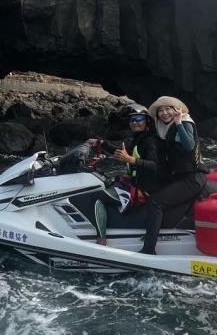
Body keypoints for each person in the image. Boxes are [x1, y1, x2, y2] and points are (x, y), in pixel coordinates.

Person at [140, 96, 206, 254]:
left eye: (168, 109)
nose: (164, 113)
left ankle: (149, 250)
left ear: (176, 110)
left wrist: (178, 122)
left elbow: (189, 146)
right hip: (181, 176)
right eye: (160, 111)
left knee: (155, 202)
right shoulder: (164, 129)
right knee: (153, 191)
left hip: (192, 178)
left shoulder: (185, 122)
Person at [87, 103, 161, 244]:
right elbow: (119, 152)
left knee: (97, 196)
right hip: (134, 182)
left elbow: (155, 165)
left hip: (144, 190)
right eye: (132, 120)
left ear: (147, 122)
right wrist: (101, 143)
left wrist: (131, 160)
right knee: (105, 184)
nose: (134, 122)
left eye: (139, 119)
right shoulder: (138, 138)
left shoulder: (150, 141)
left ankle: (101, 240)